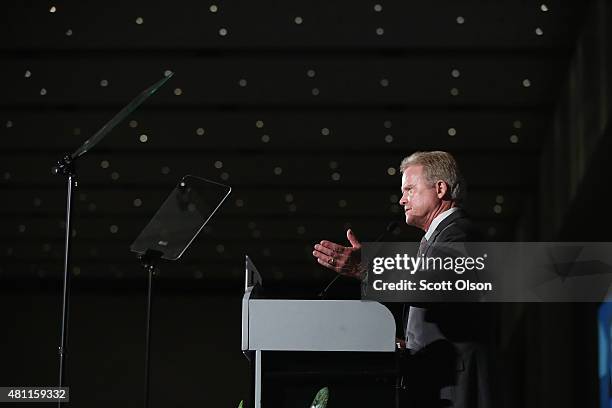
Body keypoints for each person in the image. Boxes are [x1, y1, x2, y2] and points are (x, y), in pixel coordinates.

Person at [312, 151, 494, 408]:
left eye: (409, 189)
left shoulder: (459, 234)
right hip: (438, 377)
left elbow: (430, 286)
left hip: (457, 383)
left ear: (440, 188)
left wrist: (363, 270)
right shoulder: (438, 238)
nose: (401, 200)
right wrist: (409, 343)